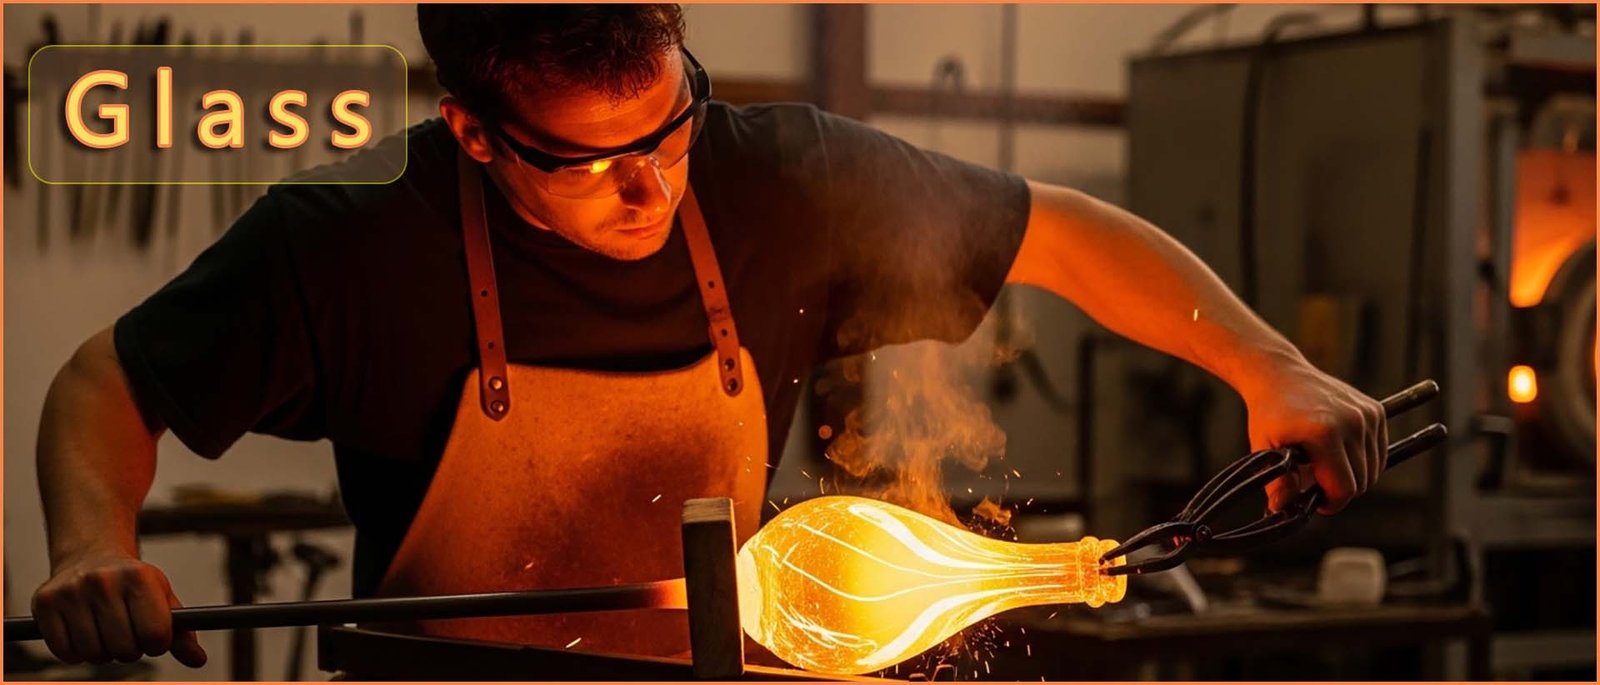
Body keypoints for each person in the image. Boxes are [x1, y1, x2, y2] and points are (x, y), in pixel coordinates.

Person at [29, 4, 1389, 667]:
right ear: (475, 133)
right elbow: (108, 382)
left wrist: (1270, 368)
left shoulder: (773, 174)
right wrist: (97, 546)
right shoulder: (350, 238)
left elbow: (1065, 232)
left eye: (672, 123)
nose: (655, 184)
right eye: (590, 163)